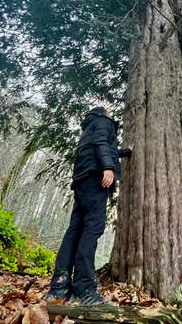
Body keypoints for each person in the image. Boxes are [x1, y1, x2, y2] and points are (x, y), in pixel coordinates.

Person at [44, 106, 131, 306]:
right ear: (103, 113)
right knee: (92, 228)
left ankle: (59, 286)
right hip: (95, 178)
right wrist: (108, 167)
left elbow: (102, 146)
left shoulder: (89, 127)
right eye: (109, 112)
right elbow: (101, 142)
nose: (111, 114)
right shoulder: (104, 123)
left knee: (75, 230)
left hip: (83, 179)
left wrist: (125, 152)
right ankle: (84, 287)